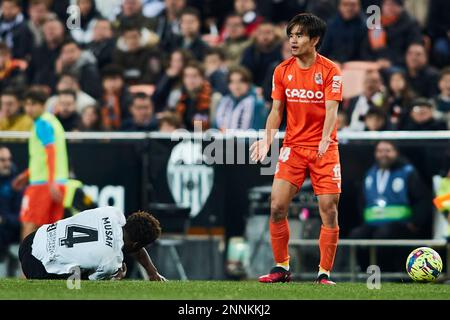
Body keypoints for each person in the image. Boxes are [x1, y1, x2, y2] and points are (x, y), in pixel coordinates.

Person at [250, 13, 343, 285]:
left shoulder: (330, 71)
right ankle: (281, 268)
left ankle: (324, 273)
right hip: (293, 146)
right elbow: (276, 111)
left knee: (329, 208)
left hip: (324, 149)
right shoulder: (282, 71)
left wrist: (326, 138)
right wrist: (267, 139)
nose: (293, 40)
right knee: (277, 205)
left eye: (300, 35)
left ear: (314, 40)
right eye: (291, 35)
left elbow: (331, 110)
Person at [19, 206, 166, 281]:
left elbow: (131, 244)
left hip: (33, 238)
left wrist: (152, 272)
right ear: (135, 244)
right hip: (36, 266)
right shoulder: (112, 262)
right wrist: (114, 278)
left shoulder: (112, 212)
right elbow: (90, 283)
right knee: (78, 279)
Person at [349, 141, 432, 270]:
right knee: (356, 235)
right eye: (380, 151)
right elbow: (361, 200)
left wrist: (415, 222)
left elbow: (422, 198)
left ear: (396, 152)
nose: (383, 154)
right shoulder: (370, 173)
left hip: (399, 223)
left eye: (388, 150)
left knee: (383, 234)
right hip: (372, 222)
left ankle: (386, 273)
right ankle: (365, 271)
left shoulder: (407, 172)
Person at [12, 89, 69, 240]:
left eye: (33, 104)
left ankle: (25, 263)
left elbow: (50, 152)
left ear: (43, 105)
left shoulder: (41, 123)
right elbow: (44, 157)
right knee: (52, 231)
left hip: (43, 185)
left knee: (29, 224)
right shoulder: (53, 122)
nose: (29, 108)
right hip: (59, 182)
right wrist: (26, 175)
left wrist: (50, 183)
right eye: (27, 104)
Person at [171, 62, 221, 131]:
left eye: (194, 76)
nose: (190, 80)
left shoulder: (214, 98)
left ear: (203, 78)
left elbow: (216, 126)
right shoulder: (178, 96)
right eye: (186, 76)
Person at [214, 66, 266, 130]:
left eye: (241, 81)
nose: (236, 86)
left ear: (248, 83)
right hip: (222, 139)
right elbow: (215, 128)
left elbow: (257, 130)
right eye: (232, 82)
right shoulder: (224, 101)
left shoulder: (257, 103)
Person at [240, 21, 282, 87]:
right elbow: (244, 72)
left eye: (268, 32)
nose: (265, 36)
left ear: (275, 34)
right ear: (256, 35)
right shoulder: (250, 51)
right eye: (261, 33)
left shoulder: (281, 49)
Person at [0, 146, 21, 261]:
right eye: (2, 160)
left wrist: (3, 219)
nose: (7, 163)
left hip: (11, 230)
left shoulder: (17, 184)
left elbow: (22, 217)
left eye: (9, 159)